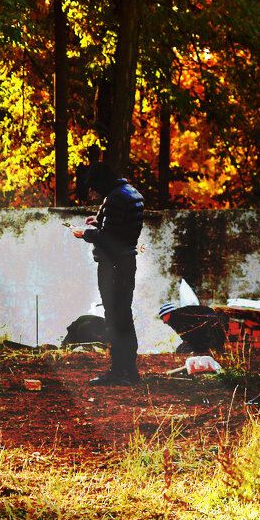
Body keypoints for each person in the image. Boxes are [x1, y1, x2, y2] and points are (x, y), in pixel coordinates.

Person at [71, 163, 145, 385]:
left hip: (113, 265)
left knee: (115, 317)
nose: (95, 192)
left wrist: (84, 233)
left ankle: (119, 372)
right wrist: (100, 221)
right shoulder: (132, 193)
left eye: (95, 188)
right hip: (127, 261)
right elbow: (121, 229)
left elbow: (109, 239)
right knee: (124, 315)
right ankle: (129, 370)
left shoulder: (114, 198)